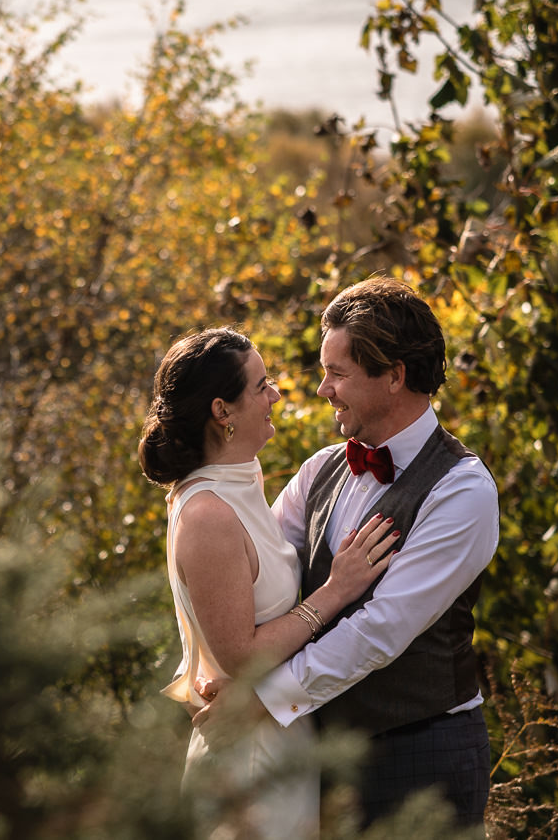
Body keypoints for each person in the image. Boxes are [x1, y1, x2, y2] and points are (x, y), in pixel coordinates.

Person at [195, 276, 501, 831]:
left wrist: (263, 701)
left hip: (422, 755)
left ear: (394, 376)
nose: (321, 389)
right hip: (319, 752)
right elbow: (261, 576)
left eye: (337, 373)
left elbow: (380, 630)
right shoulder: (320, 470)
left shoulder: (463, 491)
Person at [139, 327, 399, 839]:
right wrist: (336, 590)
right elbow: (240, 655)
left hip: (276, 737)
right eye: (261, 386)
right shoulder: (209, 513)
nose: (276, 394)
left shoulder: (242, 481)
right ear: (222, 412)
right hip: (248, 757)